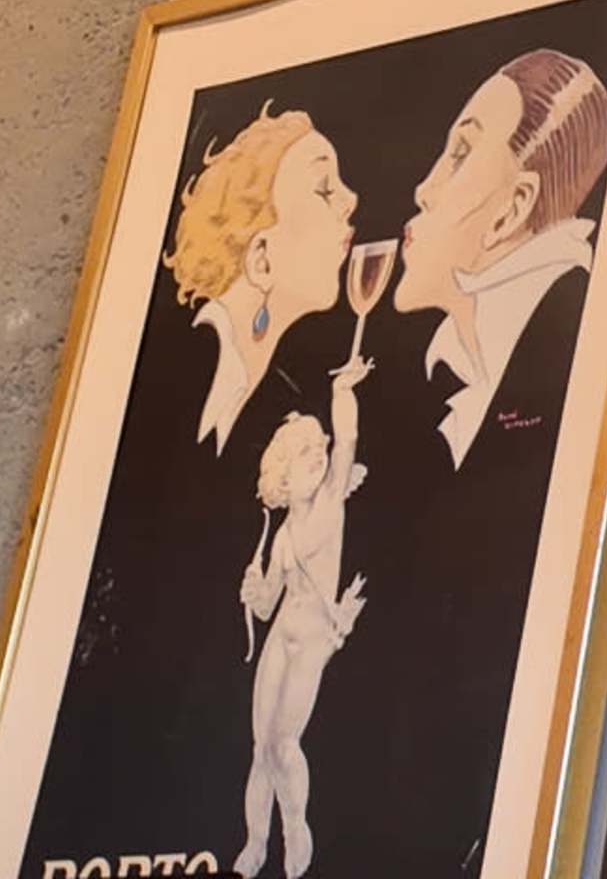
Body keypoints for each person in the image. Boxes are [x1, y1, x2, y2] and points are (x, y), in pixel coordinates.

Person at [394, 49, 607, 466]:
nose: (423, 191)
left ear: (512, 209)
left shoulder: (565, 371)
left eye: (460, 154)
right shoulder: (459, 371)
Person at [238, 356, 370, 877]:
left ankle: (295, 826)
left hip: (313, 637)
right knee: (260, 749)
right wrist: (255, 590)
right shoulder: (282, 537)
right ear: (283, 477)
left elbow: (348, 438)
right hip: (281, 636)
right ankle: (255, 843)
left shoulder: (332, 503)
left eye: (319, 449)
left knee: (285, 743)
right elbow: (267, 604)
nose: (319, 456)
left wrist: (343, 391)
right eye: (305, 453)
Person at [163, 109, 360, 452]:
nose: (351, 201)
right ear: (261, 259)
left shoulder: (281, 394)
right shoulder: (179, 367)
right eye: (325, 189)